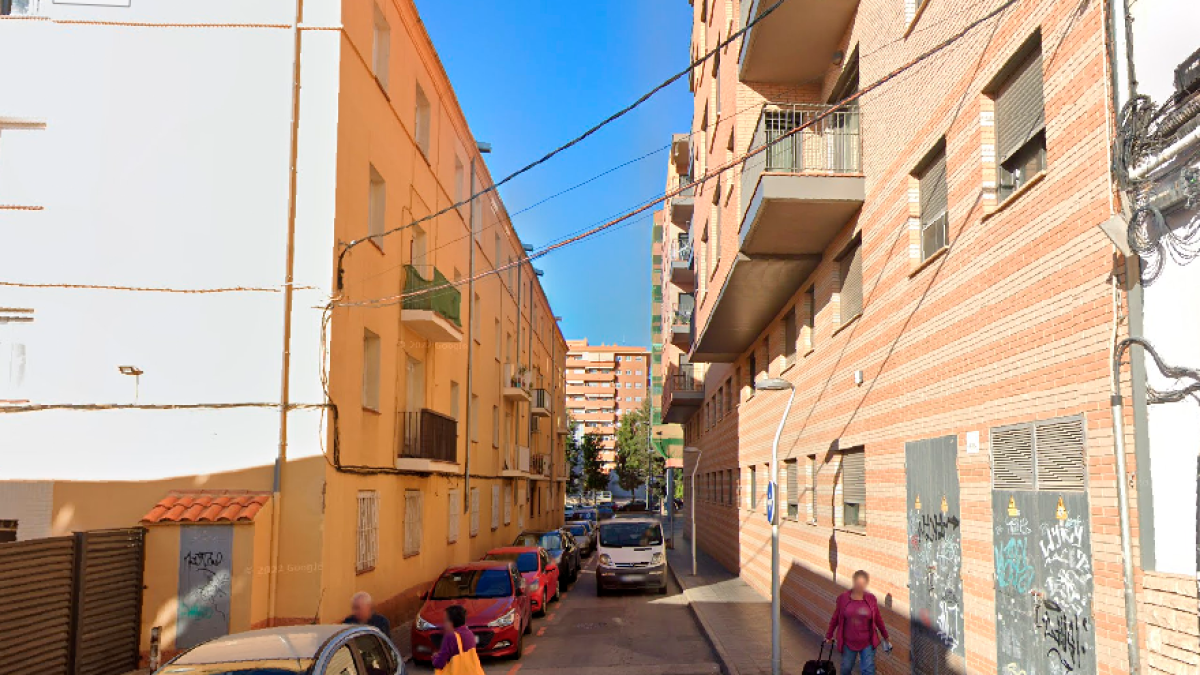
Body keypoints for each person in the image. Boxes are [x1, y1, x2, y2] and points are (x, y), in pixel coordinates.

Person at [824, 570, 891, 675]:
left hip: (867, 642)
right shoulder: (843, 599)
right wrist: (829, 635)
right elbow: (835, 618)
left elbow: (878, 618)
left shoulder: (871, 599)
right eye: (858, 583)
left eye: (863, 583)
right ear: (854, 582)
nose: (860, 586)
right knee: (846, 669)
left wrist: (885, 635)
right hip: (848, 642)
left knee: (868, 670)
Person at [432, 605, 483, 674]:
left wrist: (435, 658)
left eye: (445, 620)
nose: (444, 623)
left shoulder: (450, 637)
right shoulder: (469, 633)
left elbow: (440, 663)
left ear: (451, 623)